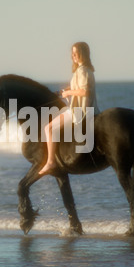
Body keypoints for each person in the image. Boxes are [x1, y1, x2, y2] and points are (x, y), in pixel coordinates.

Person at [38, 42, 100, 175]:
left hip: (79, 111)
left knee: (48, 128)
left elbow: (85, 92)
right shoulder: (87, 69)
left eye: (75, 53)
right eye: (72, 53)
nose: (73, 56)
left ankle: (50, 162)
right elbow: (81, 88)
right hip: (87, 109)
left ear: (82, 54)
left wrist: (68, 93)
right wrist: (65, 91)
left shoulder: (82, 70)